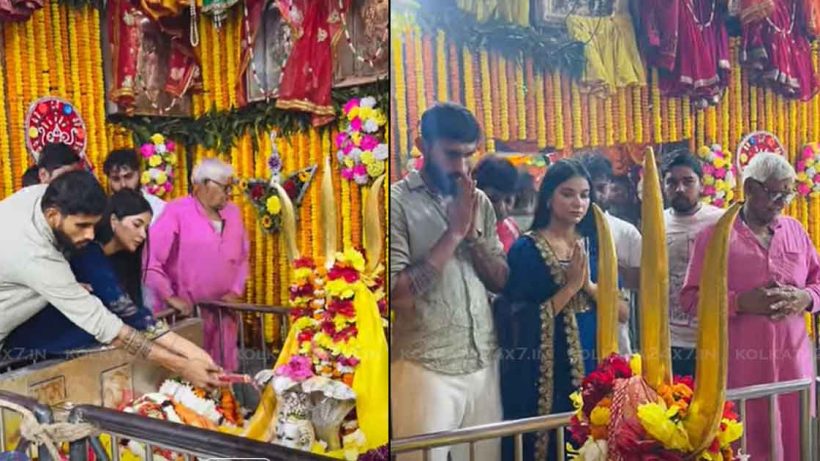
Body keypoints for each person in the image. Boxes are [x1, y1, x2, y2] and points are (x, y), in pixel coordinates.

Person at [0, 171, 221, 388]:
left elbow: (129, 314)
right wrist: (182, 365)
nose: (89, 235)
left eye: (93, 225)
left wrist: (192, 352)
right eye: (81, 226)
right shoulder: (36, 255)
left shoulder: (43, 196)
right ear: (52, 216)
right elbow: (108, 328)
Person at [681, 153, 820, 461]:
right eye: (774, 193)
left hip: (793, 367)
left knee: (796, 441)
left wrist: (806, 298)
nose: (782, 201)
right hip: (742, 368)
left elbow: (817, 281)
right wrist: (739, 302)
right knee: (746, 445)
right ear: (750, 188)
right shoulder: (715, 236)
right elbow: (690, 299)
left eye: (788, 192)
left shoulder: (795, 230)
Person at [390, 103, 508, 461]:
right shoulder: (397, 202)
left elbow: (501, 280)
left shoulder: (480, 201)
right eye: (451, 154)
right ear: (421, 144)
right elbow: (396, 293)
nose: (461, 167)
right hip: (424, 367)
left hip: (484, 360)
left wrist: (472, 237)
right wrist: (454, 233)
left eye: (468, 155)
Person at [495, 158, 600, 461]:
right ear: (549, 196)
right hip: (543, 370)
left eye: (584, 194)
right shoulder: (527, 250)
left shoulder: (595, 245)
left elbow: (620, 311)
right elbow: (517, 321)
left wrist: (588, 287)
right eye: (567, 194)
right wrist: (568, 288)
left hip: (593, 360)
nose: (577, 203)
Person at [144, 158, 249, 373]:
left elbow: (243, 257)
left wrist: (235, 291)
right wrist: (170, 297)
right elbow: (150, 261)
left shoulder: (233, 212)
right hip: (186, 317)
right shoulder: (176, 211)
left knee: (222, 373)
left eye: (231, 187)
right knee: (191, 375)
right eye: (224, 187)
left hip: (223, 314)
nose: (229, 193)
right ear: (201, 185)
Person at [662, 151, 724, 377]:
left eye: (688, 181)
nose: (680, 189)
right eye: (672, 182)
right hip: (670, 338)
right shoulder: (656, 223)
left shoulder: (721, 221)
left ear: (701, 184)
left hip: (714, 334)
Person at [580, 153, 639, 354]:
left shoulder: (626, 232)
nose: (596, 196)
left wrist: (602, 268)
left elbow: (643, 283)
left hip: (617, 341)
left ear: (609, 186)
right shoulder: (565, 232)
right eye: (589, 189)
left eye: (601, 188)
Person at [103, 149, 166, 224]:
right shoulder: (103, 211)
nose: (123, 184)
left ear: (139, 172)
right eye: (116, 179)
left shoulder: (159, 209)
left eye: (128, 176)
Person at [473, 155, 521, 253]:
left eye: (508, 200)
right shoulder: (469, 231)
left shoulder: (512, 226)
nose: (501, 209)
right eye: (493, 200)